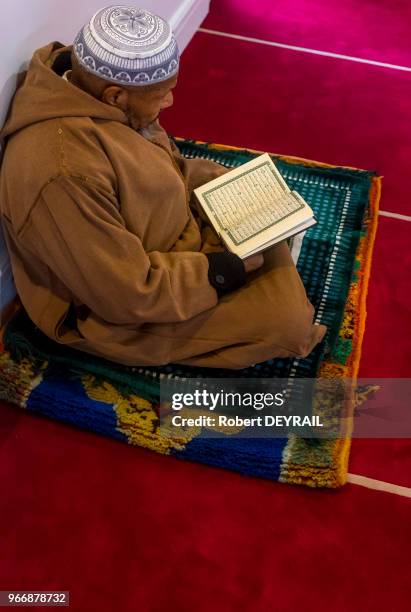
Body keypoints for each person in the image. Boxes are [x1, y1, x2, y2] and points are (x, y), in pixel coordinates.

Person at [0, 5, 326, 369]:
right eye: (162, 94)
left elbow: (161, 167)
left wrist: (224, 184)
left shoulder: (97, 96)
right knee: (286, 324)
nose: (170, 101)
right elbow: (121, 293)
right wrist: (219, 271)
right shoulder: (62, 173)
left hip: (173, 246)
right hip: (115, 310)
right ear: (115, 96)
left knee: (267, 220)